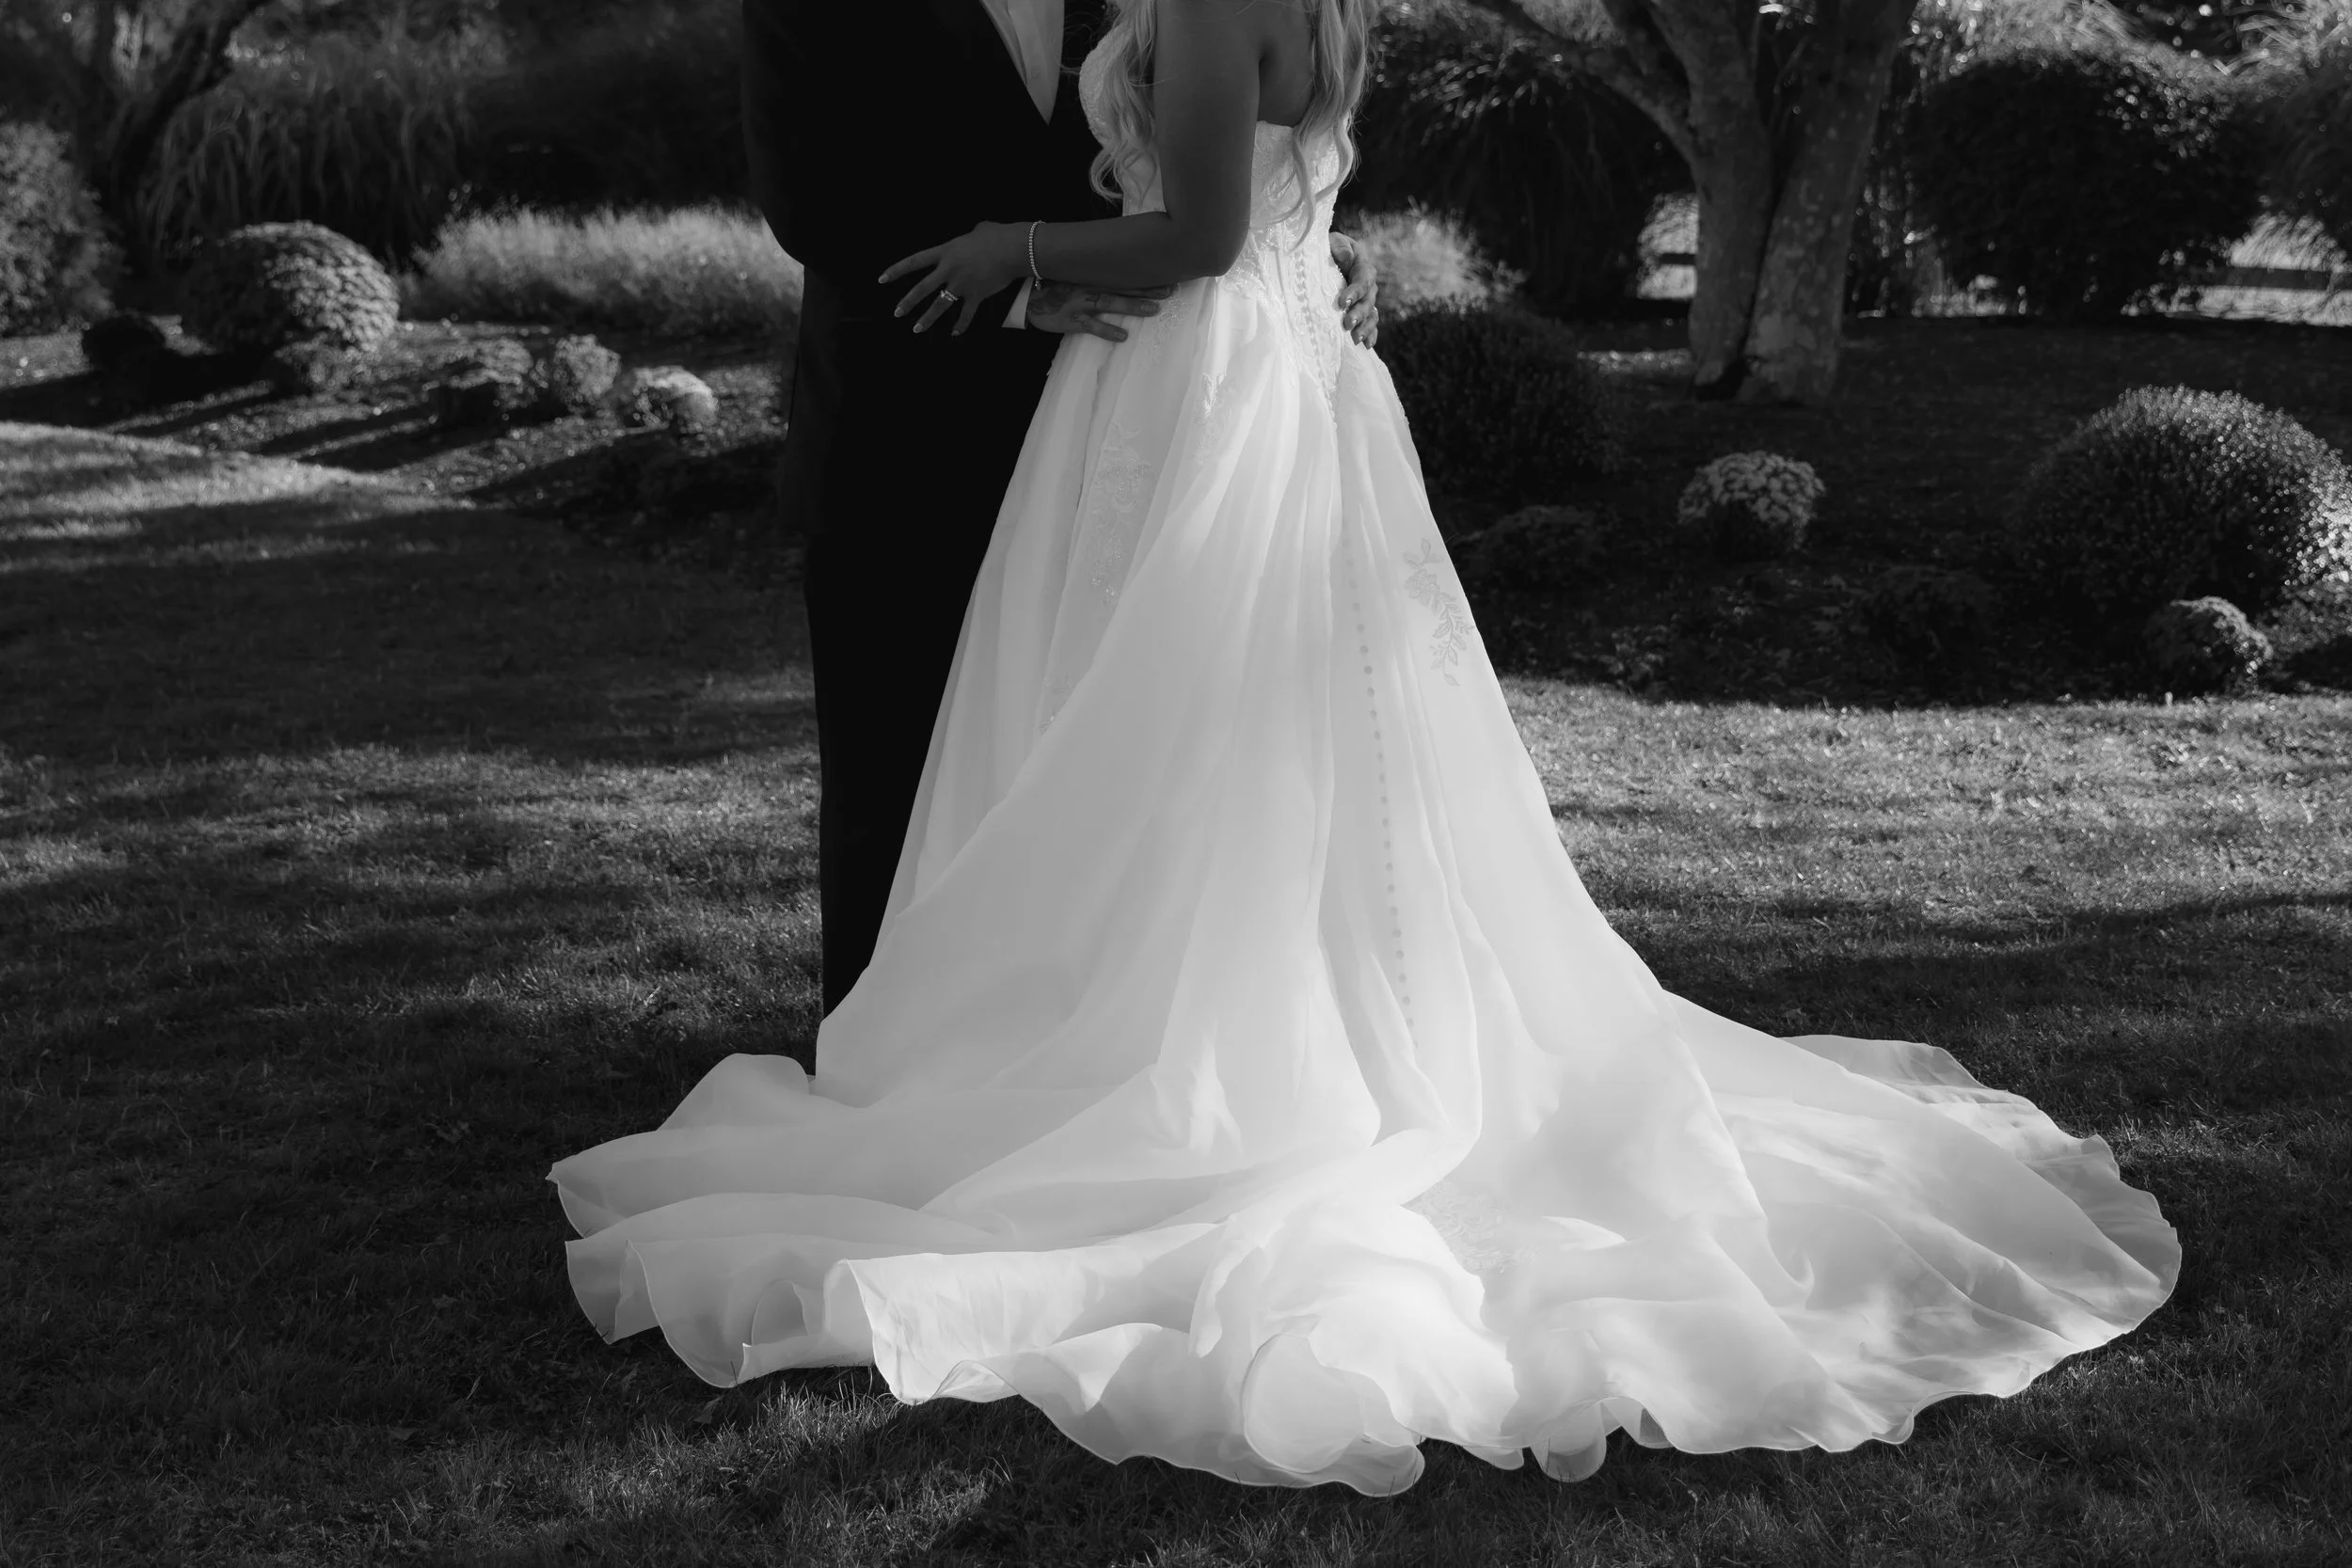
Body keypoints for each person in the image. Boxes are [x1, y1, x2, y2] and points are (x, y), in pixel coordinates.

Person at [554, 0, 2178, 1495]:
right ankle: (1136, 1024)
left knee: (1172, 741)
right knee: (1208, 754)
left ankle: (1167, 1060)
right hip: (1222, 381)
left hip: (1191, 395)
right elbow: (1235, 205)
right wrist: (1210, 256)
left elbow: (1199, 231)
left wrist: (1018, 249)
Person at [742, 0, 1382, 1012]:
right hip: (907, 426)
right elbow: (812, 198)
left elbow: (1213, 163)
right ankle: (882, 1040)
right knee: (894, 769)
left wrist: (1308, 240)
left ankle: (1090, 1023)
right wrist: (1015, 288)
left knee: (1116, 747)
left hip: (1138, 413)